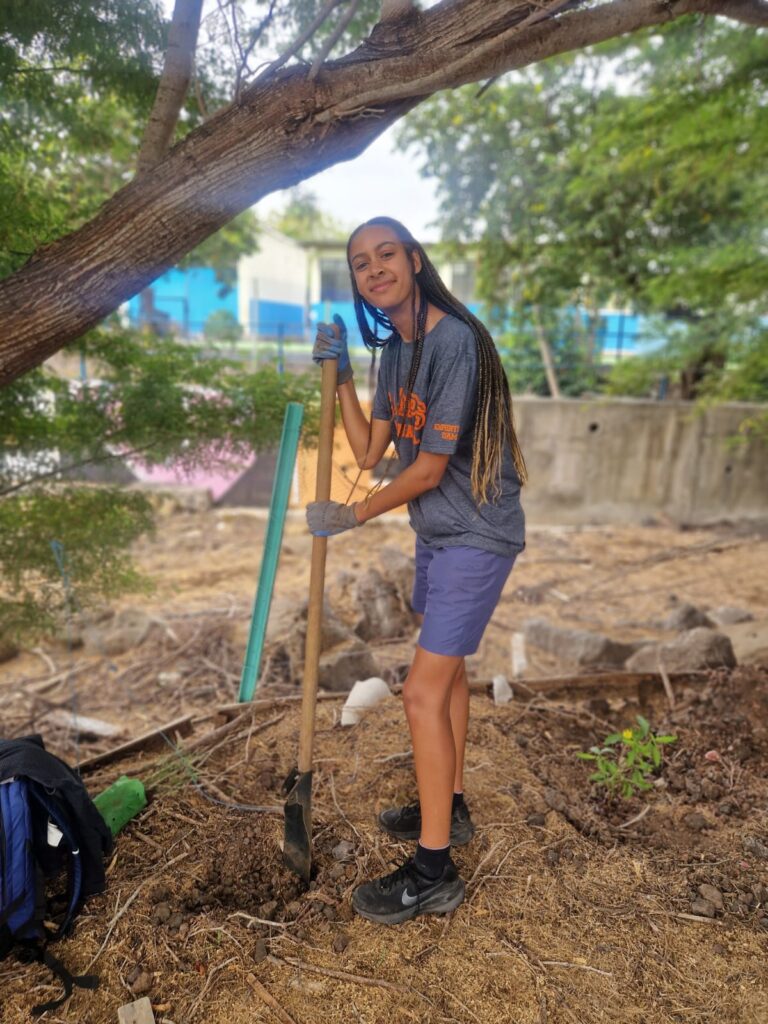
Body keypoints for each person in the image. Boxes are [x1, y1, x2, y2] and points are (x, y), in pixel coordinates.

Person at [307, 217, 526, 925]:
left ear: (415, 260)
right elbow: (373, 447)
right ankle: (450, 806)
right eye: (361, 263)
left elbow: (428, 469)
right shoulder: (394, 350)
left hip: (475, 531)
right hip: (437, 532)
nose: (374, 270)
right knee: (451, 674)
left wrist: (355, 515)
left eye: (386, 256)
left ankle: (434, 871)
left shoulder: (453, 342)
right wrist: (338, 375)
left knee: (420, 694)